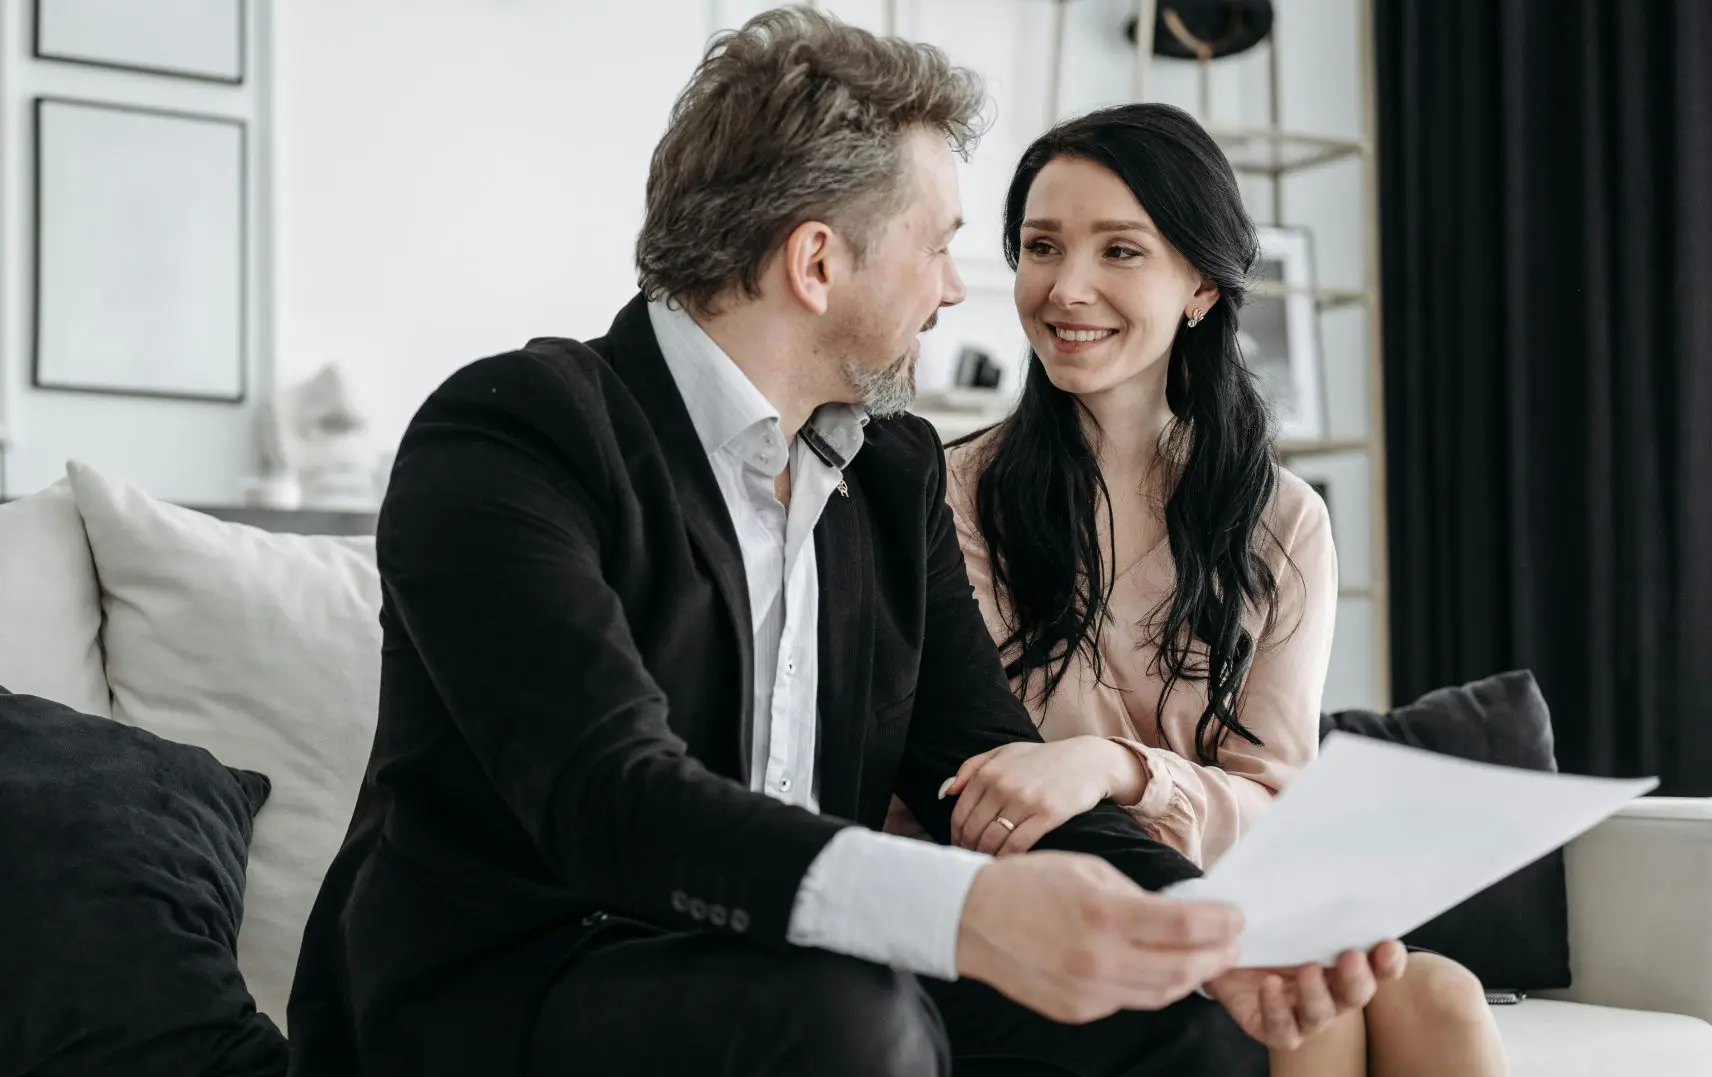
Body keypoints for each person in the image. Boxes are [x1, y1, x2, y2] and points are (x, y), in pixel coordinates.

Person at [286, 11, 1406, 1076]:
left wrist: (1212, 934)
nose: (959, 290)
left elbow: (984, 770)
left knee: (1173, 1026)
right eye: (940, 246)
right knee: (842, 1016)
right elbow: (609, 797)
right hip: (508, 990)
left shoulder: (890, 474)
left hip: (788, 980)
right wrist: (963, 913)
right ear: (818, 263)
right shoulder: (515, 432)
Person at [929, 103, 1511, 1076]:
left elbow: (1276, 797)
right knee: (1306, 1006)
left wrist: (1119, 765)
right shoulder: (953, 495)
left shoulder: (1282, 520)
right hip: (1054, 910)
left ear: (1201, 284)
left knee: (1440, 998)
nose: (1067, 288)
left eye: (1120, 251)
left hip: (1239, 900)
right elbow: (988, 772)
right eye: (1041, 247)